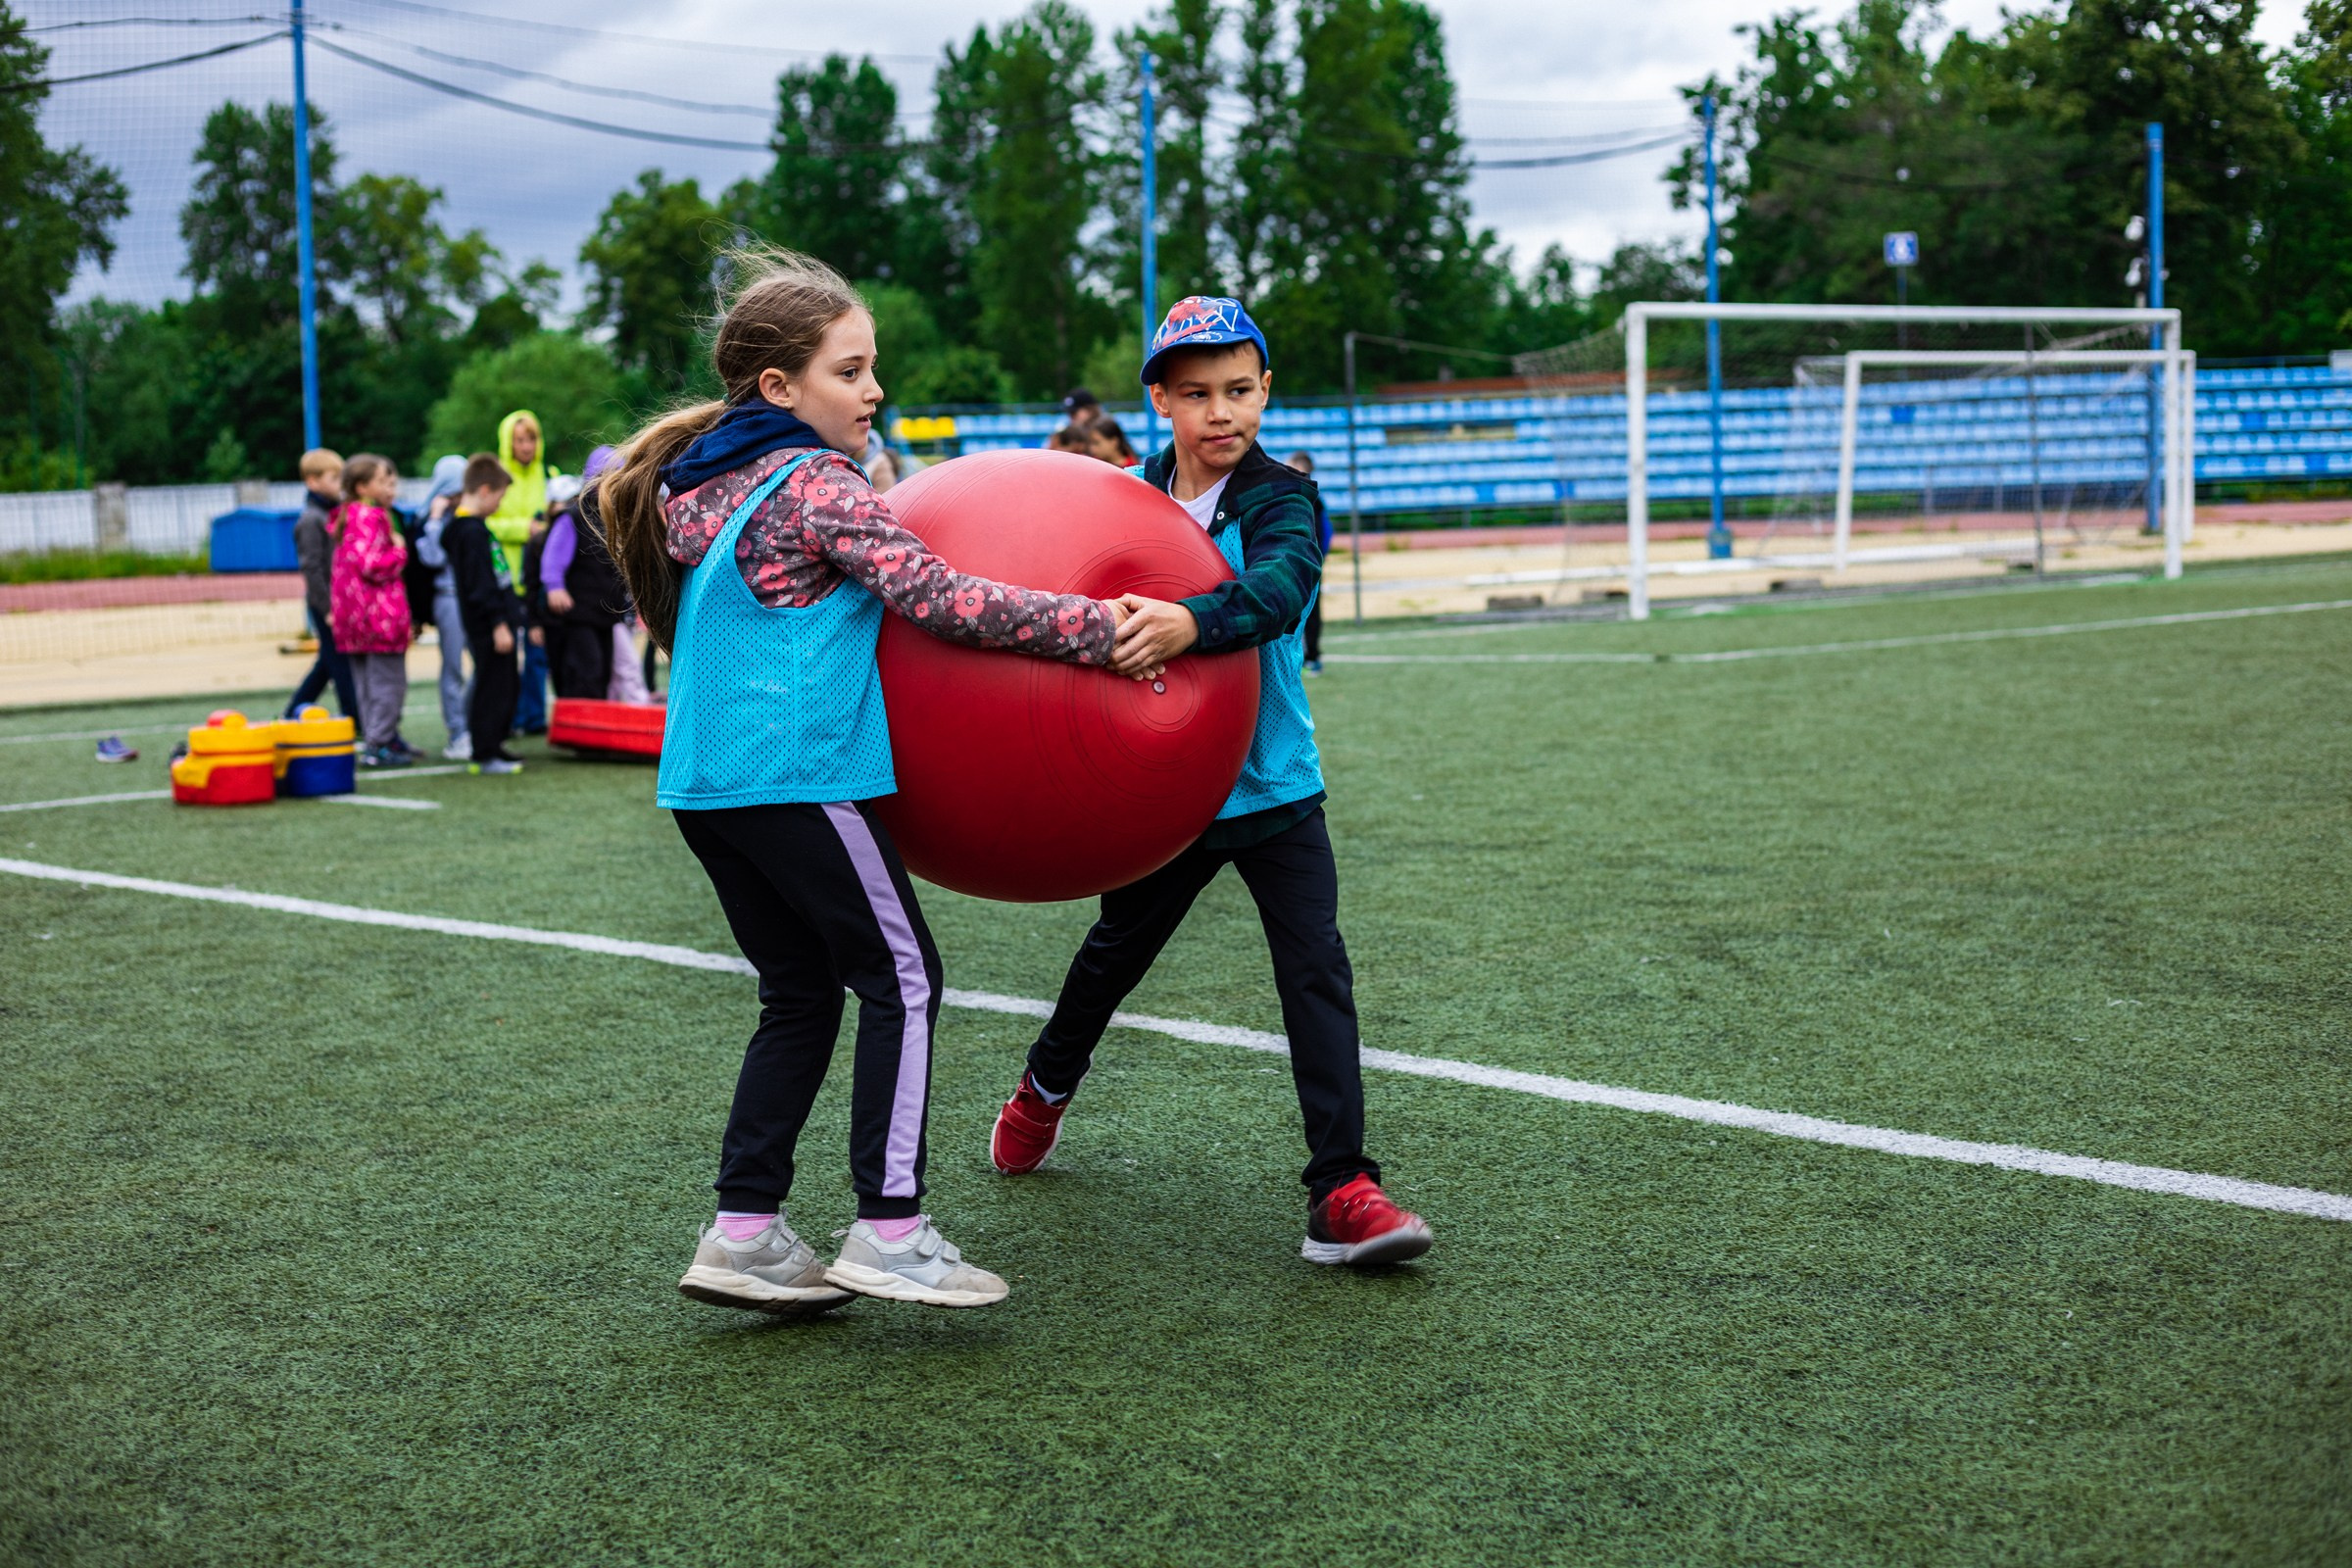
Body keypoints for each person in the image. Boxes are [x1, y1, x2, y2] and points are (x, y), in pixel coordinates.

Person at [595, 247, 1157, 1316]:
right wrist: (1099, 627)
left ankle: (745, 1230)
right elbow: (943, 599)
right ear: (779, 388)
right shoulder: (816, 484)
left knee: (800, 992)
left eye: (872, 368)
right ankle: (890, 1227)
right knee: (903, 981)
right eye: (850, 371)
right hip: (798, 775)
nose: (875, 391)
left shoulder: (701, 488)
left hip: (707, 787)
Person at [990, 295, 1434, 1269]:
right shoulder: (1123, 495)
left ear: (1266, 390)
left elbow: (1280, 588)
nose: (1221, 412)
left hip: (1272, 789)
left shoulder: (1282, 494)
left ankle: (1341, 1191)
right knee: (1112, 956)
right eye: (1197, 393)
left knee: (1315, 969)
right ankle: (1043, 1088)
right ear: (1159, 399)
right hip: (1164, 798)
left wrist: (1191, 623)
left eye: (1239, 389)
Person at [327, 455, 417, 768]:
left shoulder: (346, 517)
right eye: (382, 481)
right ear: (362, 486)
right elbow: (370, 565)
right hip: (378, 616)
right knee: (388, 683)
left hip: (354, 617)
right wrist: (399, 550)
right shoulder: (370, 517)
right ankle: (378, 742)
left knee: (367, 683)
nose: (389, 487)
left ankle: (379, 736)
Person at [443, 455, 524, 775]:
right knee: (491, 685)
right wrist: (498, 623)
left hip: (496, 622)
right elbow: (480, 585)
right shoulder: (469, 532)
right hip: (488, 625)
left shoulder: (474, 529)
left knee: (504, 682)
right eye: (500, 498)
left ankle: (495, 745)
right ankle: (484, 751)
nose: (499, 505)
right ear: (485, 490)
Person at [492, 410, 560, 735]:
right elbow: (486, 522)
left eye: (531, 438)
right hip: (504, 580)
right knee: (504, 656)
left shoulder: (550, 474)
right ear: (508, 441)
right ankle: (507, 718)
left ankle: (532, 717)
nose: (526, 446)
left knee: (537, 654)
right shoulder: (496, 475)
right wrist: (525, 529)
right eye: (519, 439)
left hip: (537, 580)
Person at [540, 473, 629, 700]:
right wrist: (554, 586)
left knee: (603, 674)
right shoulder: (575, 517)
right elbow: (553, 556)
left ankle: (594, 729)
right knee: (586, 672)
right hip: (579, 612)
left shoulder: (611, 514)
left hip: (604, 611)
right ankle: (578, 730)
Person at [285, 448, 356, 720]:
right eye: (334, 478)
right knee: (338, 662)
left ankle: (293, 711)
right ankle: (354, 716)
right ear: (313, 481)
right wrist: (327, 607)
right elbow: (311, 568)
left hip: (338, 599)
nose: (340, 485)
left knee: (328, 662)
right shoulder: (310, 520)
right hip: (325, 603)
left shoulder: (333, 513)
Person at [414, 455, 474, 758]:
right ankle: (458, 732)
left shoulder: (466, 513)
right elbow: (434, 558)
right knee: (452, 667)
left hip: (471, 595)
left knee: (487, 663)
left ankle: (472, 721)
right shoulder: (428, 519)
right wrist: (436, 521)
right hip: (447, 596)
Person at [1286, 451, 1331, 674]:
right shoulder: (1305, 496)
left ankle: (1310, 656)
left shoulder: (1306, 498)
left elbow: (1324, 533)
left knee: (1305, 611)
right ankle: (1308, 657)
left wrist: (1316, 558)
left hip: (1303, 565)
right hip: (1301, 564)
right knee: (1302, 610)